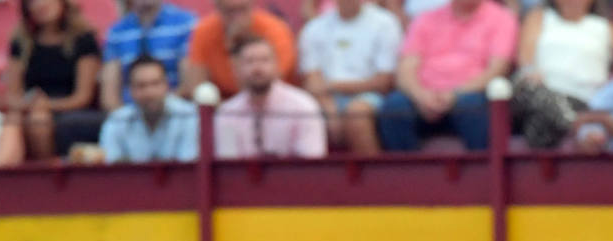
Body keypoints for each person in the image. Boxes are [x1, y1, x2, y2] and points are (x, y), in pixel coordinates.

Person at [377, 0, 516, 151]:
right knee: (394, 107)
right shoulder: (426, 19)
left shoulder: (501, 18)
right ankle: (407, 172)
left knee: (472, 106)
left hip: (470, 95)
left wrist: (454, 94)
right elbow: (405, 69)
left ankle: (482, 173)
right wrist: (421, 96)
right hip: (424, 97)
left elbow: (497, 69)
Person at [511, 0, 613, 149]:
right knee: (535, 95)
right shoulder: (539, 18)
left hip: (583, 99)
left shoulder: (604, 27)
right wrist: (530, 71)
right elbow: (525, 57)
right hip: (540, 92)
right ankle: (577, 125)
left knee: (538, 126)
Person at [299, 0, 402, 154]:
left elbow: (384, 81)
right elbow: (312, 79)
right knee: (297, 112)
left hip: (372, 96)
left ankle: (373, 176)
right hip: (326, 97)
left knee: (356, 115)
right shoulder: (314, 28)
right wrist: (329, 107)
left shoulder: (385, 23)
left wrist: (333, 86)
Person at [5, 0, 103, 160]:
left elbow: (83, 97)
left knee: (39, 120)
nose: (40, 5)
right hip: (32, 106)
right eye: (33, 2)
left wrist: (47, 105)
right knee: (12, 119)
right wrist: (28, 104)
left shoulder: (84, 40)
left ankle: (49, 174)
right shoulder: (20, 43)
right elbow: (12, 96)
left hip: (69, 107)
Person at [214, 35, 327, 158]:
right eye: (249, 61)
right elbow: (228, 168)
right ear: (236, 69)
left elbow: (312, 164)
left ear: (277, 65)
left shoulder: (303, 107)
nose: (257, 68)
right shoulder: (227, 113)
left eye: (264, 60)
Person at [181, 0, 297, 100]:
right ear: (217, 8)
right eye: (230, 11)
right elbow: (198, 88)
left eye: (242, 9)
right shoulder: (204, 31)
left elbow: (265, 84)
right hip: (222, 109)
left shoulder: (276, 29)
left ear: (252, 4)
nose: (237, 18)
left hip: (274, 106)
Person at [100, 0, 198, 112]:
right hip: (129, 117)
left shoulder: (186, 24)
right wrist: (125, 119)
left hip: (175, 113)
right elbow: (109, 96)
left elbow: (189, 85)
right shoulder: (116, 33)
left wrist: (155, 110)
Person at [98, 54, 199, 162]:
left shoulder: (189, 116)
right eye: (141, 85)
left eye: (155, 83)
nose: (149, 92)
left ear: (167, 85)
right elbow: (111, 169)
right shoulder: (116, 121)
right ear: (130, 90)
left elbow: (189, 167)